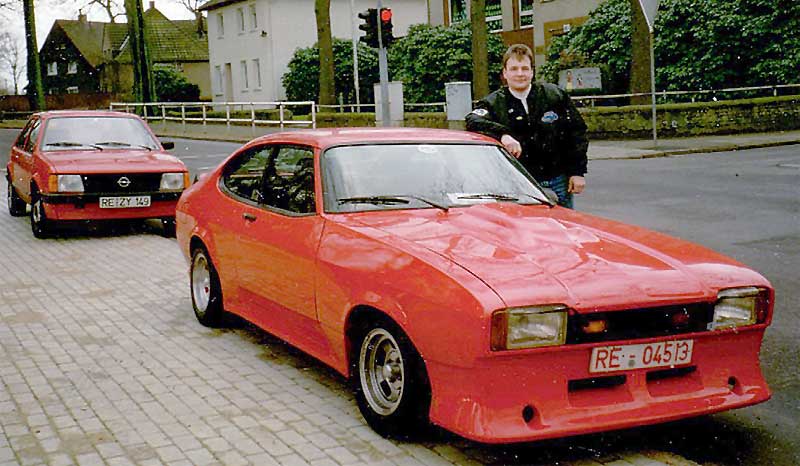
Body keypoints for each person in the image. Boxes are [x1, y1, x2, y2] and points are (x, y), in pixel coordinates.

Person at [466, 44, 588, 208]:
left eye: (524, 68)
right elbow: (473, 121)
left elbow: (577, 133)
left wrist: (577, 172)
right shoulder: (493, 103)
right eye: (514, 69)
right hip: (516, 183)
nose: (520, 74)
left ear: (532, 71)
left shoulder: (554, 95)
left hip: (558, 180)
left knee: (561, 229)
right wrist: (503, 134)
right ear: (505, 73)